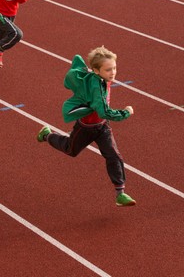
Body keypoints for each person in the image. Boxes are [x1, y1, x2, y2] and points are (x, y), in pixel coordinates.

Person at [36, 46, 136, 207]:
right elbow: (104, 112)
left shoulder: (103, 80)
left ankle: (120, 193)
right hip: (86, 127)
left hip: (102, 127)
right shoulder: (96, 87)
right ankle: (47, 134)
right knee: (71, 150)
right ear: (96, 71)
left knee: (113, 156)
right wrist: (125, 112)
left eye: (115, 68)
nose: (113, 73)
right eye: (108, 69)